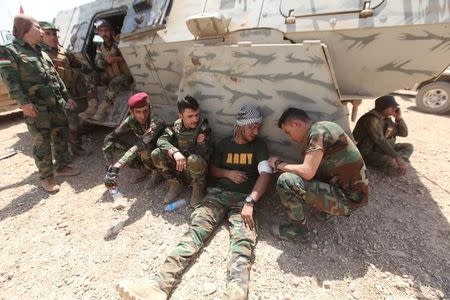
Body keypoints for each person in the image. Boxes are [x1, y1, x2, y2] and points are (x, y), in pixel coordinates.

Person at [116, 104, 272, 300]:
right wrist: (228, 173)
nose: (256, 131)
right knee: (194, 233)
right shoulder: (224, 145)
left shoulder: (259, 146)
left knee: (242, 245)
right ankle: (159, 286)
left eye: (259, 127)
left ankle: (236, 295)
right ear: (241, 125)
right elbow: (213, 169)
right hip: (216, 196)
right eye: (252, 127)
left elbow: (265, 174)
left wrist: (250, 201)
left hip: (243, 200)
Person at [0, 16, 80, 193]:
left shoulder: (41, 50)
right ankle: (47, 178)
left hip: (56, 104)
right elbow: (10, 81)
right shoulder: (9, 50)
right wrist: (23, 103)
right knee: (42, 142)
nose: (42, 31)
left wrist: (67, 97)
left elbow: (55, 77)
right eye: (38, 27)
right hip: (37, 107)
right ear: (25, 29)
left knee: (61, 134)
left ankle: (62, 166)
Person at [268, 108, 368, 241]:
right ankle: (329, 210)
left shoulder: (317, 133)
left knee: (286, 180)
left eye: (288, 132)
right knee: (305, 171)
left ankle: (298, 232)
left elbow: (307, 172)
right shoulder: (325, 127)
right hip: (353, 194)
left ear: (296, 124)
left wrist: (278, 164)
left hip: (348, 200)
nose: (290, 138)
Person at [102, 92, 166, 207]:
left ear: (150, 108)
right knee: (113, 143)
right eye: (138, 112)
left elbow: (141, 144)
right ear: (132, 112)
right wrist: (110, 167)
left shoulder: (156, 121)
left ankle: (157, 173)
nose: (142, 116)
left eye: (145, 111)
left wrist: (118, 165)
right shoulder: (131, 120)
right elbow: (110, 137)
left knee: (143, 148)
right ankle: (143, 169)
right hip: (142, 152)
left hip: (160, 156)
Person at [39, 21, 89, 156]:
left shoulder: (63, 52)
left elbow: (80, 67)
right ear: (41, 35)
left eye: (54, 34)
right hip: (53, 95)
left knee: (74, 123)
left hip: (69, 93)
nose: (53, 37)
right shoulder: (39, 54)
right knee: (63, 125)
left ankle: (75, 148)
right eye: (48, 34)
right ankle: (65, 153)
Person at [151, 95, 211, 207]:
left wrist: (195, 148)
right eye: (190, 116)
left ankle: (198, 189)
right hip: (180, 166)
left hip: (195, 169)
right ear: (181, 116)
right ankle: (175, 184)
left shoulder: (203, 128)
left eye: (197, 115)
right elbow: (162, 139)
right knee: (156, 153)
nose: (195, 119)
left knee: (194, 159)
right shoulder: (176, 125)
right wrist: (175, 152)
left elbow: (202, 152)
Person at [79, 19, 132, 122]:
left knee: (115, 81)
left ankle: (101, 111)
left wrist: (118, 57)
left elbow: (132, 56)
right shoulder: (100, 46)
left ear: (111, 31)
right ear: (98, 32)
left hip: (125, 76)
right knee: (92, 76)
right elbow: (98, 63)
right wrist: (107, 61)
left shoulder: (120, 42)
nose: (104, 33)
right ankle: (92, 107)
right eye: (101, 31)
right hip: (111, 74)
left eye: (107, 30)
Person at [353, 95, 413, 176]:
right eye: (392, 107)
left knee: (408, 146)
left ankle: (402, 163)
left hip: (380, 149)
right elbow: (380, 140)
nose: (395, 109)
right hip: (366, 153)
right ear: (383, 107)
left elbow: (403, 133)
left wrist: (398, 118)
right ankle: (394, 167)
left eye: (395, 107)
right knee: (391, 161)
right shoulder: (371, 119)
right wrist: (397, 158)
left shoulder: (386, 119)